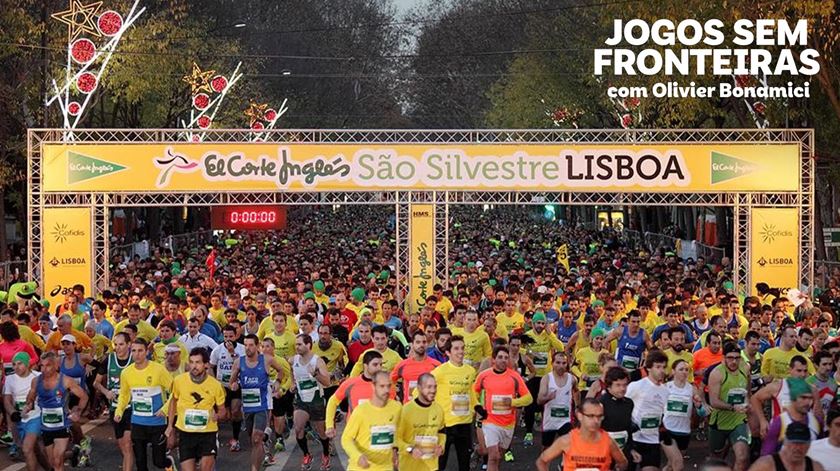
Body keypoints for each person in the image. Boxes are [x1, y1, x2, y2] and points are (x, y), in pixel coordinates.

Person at [114, 338, 175, 471]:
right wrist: (119, 411)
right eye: (134, 351)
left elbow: (175, 392)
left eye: (140, 350)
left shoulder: (158, 370)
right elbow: (124, 395)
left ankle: (168, 463)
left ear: (147, 351)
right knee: (140, 462)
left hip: (157, 423)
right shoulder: (126, 373)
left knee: (158, 461)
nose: (137, 354)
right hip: (137, 423)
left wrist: (165, 409)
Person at [22, 352, 88, 471]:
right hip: (46, 427)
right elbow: (30, 399)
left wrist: (77, 411)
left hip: (62, 425)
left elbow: (84, 396)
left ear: (56, 365)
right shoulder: (36, 381)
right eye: (42, 366)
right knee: (53, 462)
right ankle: (73, 453)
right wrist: (28, 405)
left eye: (48, 365)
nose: (44, 369)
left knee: (57, 462)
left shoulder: (66, 381)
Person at [228, 334, 285, 471]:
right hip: (247, 407)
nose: (248, 348)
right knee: (253, 440)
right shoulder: (238, 362)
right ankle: (263, 447)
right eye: (246, 345)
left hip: (262, 405)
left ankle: (254, 469)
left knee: (256, 439)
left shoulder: (266, 360)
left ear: (257, 346)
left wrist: (277, 382)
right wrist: (234, 385)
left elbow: (281, 371)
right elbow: (232, 382)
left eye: (251, 345)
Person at [166, 347, 227, 471]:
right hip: (186, 434)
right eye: (192, 362)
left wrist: (217, 416)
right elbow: (173, 402)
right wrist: (170, 426)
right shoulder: (179, 381)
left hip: (207, 434)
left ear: (206, 365)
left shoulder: (215, 385)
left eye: (198, 362)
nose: (194, 366)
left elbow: (223, 411)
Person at [473, 345, 533, 471]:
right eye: (500, 357)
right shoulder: (484, 375)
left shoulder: (514, 376)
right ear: (493, 360)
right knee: (493, 456)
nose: (503, 360)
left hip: (508, 423)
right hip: (490, 421)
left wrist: (512, 402)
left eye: (506, 357)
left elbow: (528, 398)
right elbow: (473, 392)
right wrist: (478, 407)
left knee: (498, 456)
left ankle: (478, 452)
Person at [535, 398, 629, 471]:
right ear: (580, 415)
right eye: (591, 416)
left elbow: (623, 463)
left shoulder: (608, 442)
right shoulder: (567, 441)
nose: (596, 421)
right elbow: (542, 461)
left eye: (599, 416)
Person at [431, 335, 476, 471]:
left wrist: (476, 408)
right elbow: (421, 390)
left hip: (464, 424)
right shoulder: (440, 371)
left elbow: (471, 394)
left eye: (462, 348)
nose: (460, 351)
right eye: (456, 348)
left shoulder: (470, 371)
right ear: (448, 352)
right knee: (440, 464)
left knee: (464, 464)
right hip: (445, 426)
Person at [341, 370, 402, 471]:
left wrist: (396, 449)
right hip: (361, 468)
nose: (386, 390)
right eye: (382, 386)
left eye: (388, 386)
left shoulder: (397, 408)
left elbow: (400, 433)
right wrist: (357, 456)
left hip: (386, 467)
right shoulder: (361, 411)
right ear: (373, 386)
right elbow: (346, 439)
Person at [708, 341, 752, 471]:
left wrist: (748, 404)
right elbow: (714, 401)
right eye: (730, 358)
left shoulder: (745, 368)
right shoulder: (717, 373)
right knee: (717, 458)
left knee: (742, 456)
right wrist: (733, 407)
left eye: (737, 358)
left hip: (739, 420)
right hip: (719, 421)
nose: (734, 361)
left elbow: (748, 391)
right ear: (723, 358)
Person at [290, 334, 332, 470]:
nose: (297, 347)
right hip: (301, 400)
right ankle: (307, 455)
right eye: (296, 344)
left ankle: (326, 454)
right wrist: (292, 383)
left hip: (316, 401)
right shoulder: (293, 360)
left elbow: (327, 382)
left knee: (322, 432)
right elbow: (291, 371)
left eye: (300, 344)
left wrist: (315, 374)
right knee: (298, 428)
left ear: (308, 345)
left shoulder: (317, 361)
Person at [523, 312, 564, 446]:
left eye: (542, 323)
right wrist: (531, 353)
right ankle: (529, 431)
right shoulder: (528, 335)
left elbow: (560, 348)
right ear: (533, 323)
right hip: (532, 374)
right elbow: (520, 350)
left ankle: (545, 430)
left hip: (546, 376)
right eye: (538, 323)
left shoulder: (548, 335)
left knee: (545, 403)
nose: (540, 326)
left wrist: (550, 333)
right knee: (529, 403)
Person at [94, 332, 134, 471]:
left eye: (121, 344)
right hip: (115, 408)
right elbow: (96, 383)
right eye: (116, 345)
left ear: (129, 345)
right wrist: (106, 392)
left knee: (128, 444)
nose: (118, 348)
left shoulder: (134, 360)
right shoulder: (109, 359)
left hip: (131, 407)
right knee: (123, 445)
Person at [325, 350, 385, 438]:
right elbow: (333, 401)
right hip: (356, 433)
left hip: (378, 433)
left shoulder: (386, 385)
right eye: (375, 365)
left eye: (381, 365)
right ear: (365, 365)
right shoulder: (351, 383)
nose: (379, 368)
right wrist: (329, 425)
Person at [625, 349, 669, 471]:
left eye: (664, 367)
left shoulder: (665, 391)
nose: (661, 371)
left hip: (652, 440)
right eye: (658, 367)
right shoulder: (637, 386)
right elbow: (623, 403)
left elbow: (664, 414)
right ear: (649, 368)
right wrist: (628, 423)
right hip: (634, 439)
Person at [663, 359, 707, 471]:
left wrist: (699, 406)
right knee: (679, 464)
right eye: (681, 369)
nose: (684, 372)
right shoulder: (666, 387)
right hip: (667, 430)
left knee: (671, 465)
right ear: (673, 371)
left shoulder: (692, 389)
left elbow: (702, 413)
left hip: (684, 431)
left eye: (686, 370)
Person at [396, 373, 446, 470]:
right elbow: (396, 439)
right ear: (419, 388)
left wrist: (441, 446)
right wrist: (410, 449)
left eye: (435, 387)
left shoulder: (438, 409)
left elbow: (441, 432)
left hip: (431, 467)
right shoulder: (406, 410)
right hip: (410, 467)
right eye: (429, 387)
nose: (433, 390)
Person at [3, 352, 43, 471]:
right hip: (18, 420)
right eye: (14, 364)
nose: (16, 367)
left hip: (34, 417)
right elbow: (7, 400)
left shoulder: (38, 376)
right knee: (36, 451)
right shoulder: (10, 379)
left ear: (27, 364)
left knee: (27, 449)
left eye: (19, 364)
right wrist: (13, 413)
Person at [761, 377, 822, 455]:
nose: (807, 402)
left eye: (810, 398)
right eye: (803, 398)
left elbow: (821, 451)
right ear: (793, 399)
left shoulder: (817, 421)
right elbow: (767, 454)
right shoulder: (780, 422)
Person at [210, 325, 246, 452]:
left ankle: (236, 439)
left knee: (235, 411)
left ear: (236, 335)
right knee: (223, 415)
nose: (228, 339)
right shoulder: (217, 350)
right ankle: (214, 437)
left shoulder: (242, 349)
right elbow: (210, 366)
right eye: (225, 336)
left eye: (231, 336)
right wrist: (214, 382)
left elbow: (242, 365)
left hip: (236, 385)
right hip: (222, 386)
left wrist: (232, 353)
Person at [747, 421, 825, 471]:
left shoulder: (816, 467)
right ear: (785, 442)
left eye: (801, 443)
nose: (797, 448)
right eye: (794, 443)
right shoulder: (765, 465)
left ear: (808, 445)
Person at [537, 352, 576, 449]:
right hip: (550, 421)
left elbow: (576, 391)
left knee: (569, 448)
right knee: (546, 450)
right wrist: (548, 397)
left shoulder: (572, 379)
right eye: (558, 363)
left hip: (565, 420)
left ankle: (564, 464)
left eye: (564, 363)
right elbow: (539, 400)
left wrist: (578, 406)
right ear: (552, 363)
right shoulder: (547, 379)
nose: (561, 366)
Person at [392, 330, 441, 403]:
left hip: (429, 409)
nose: (421, 345)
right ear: (412, 344)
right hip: (409, 410)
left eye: (424, 342)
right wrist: (395, 397)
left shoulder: (436, 365)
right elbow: (390, 381)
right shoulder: (403, 365)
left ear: (427, 344)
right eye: (418, 342)